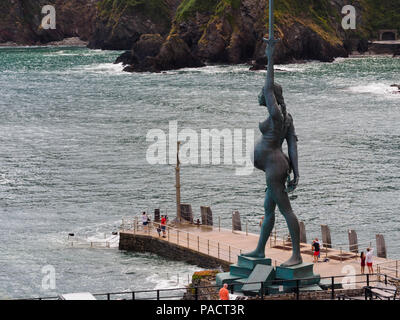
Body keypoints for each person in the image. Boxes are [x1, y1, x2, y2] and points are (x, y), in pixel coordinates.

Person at [242, 37, 302, 266]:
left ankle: (296, 255)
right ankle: (259, 250)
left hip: (274, 166)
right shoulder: (286, 119)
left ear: (271, 99)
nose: (260, 95)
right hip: (278, 165)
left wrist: (269, 58)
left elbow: (268, 86)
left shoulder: (277, 116)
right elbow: (293, 146)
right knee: (268, 210)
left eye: (263, 94)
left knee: (286, 210)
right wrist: (297, 172)